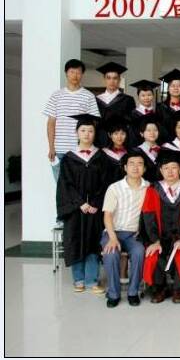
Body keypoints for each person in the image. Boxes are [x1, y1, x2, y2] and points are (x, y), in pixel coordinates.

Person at [140, 148, 180, 304]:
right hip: (160, 237)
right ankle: (159, 289)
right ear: (161, 170)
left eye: (174, 167)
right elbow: (148, 217)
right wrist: (154, 240)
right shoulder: (153, 190)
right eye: (166, 168)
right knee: (154, 255)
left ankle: (179, 289)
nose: (170, 172)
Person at [56, 113, 107, 294]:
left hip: (94, 209)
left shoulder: (101, 157)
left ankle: (92, 280)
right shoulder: (69, 158)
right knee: (75, 240)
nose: (87, 134)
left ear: (95, 133)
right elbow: (65, 185)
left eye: (90, 130)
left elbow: (105, 184)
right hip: (75, 209)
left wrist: (94, 203)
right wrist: (80, 203)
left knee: (93, 241)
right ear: (76, 132)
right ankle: (78, 279)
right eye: (83, 130)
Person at [44, 59, 100, 204]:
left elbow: (93, 123)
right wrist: (51, 147)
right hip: (60, 150)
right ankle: (62, 215)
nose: (75, 75)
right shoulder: (56, 95)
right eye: (72, 72)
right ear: (66, 73)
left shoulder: (88, 96)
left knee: (79, 188)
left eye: (78, 72)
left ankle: (78, 216)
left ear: (82, 75)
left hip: (79, 150)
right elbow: (51, 123)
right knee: (61, 187)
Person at [100, 148, 149, 308]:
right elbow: (107, 215)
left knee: (139, 252)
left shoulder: (149, 188)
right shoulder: (114, 188)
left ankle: (133, 292)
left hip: (134, 235)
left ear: (144, 168)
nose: (135, 167)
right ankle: (113, 293)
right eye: (131, 164)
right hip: (113, 232)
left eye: (140, 164)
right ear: (125, 167)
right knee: (111, 252)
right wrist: (113, 238)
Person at [94, 62, 136, 148]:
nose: (112, 81)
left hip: (119, 141)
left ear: (119, 80)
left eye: (115, 78)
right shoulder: (96, 100)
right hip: (100, 139)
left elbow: (131, 124)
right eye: (108, 78)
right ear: (104, 79)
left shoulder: (128, 99)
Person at [155, 68, 180, 142]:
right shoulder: (160, 108)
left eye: (179, 86)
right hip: (165, 143)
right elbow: (158, 128)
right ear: (168, 89)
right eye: (173, 86)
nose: (176, 88)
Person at [128, 79, 163, 147]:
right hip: (138, 148)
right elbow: (132, 136)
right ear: (138, 97)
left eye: (149, 95)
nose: (146, 98)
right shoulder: (133, 115)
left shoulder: (158, 113)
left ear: (153, 96)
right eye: (143, 95)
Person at [100, 116, 130, 185]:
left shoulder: (130, 153)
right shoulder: (103, 153)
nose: (119, 137)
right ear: (109, 135)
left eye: (123, 133)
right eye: (116, 133)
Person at [134, 114, 162, 182]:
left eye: (155, 130)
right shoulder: (136, 152)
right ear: (141, 133)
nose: (152, 133)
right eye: (148, 130)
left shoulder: (164, 150)